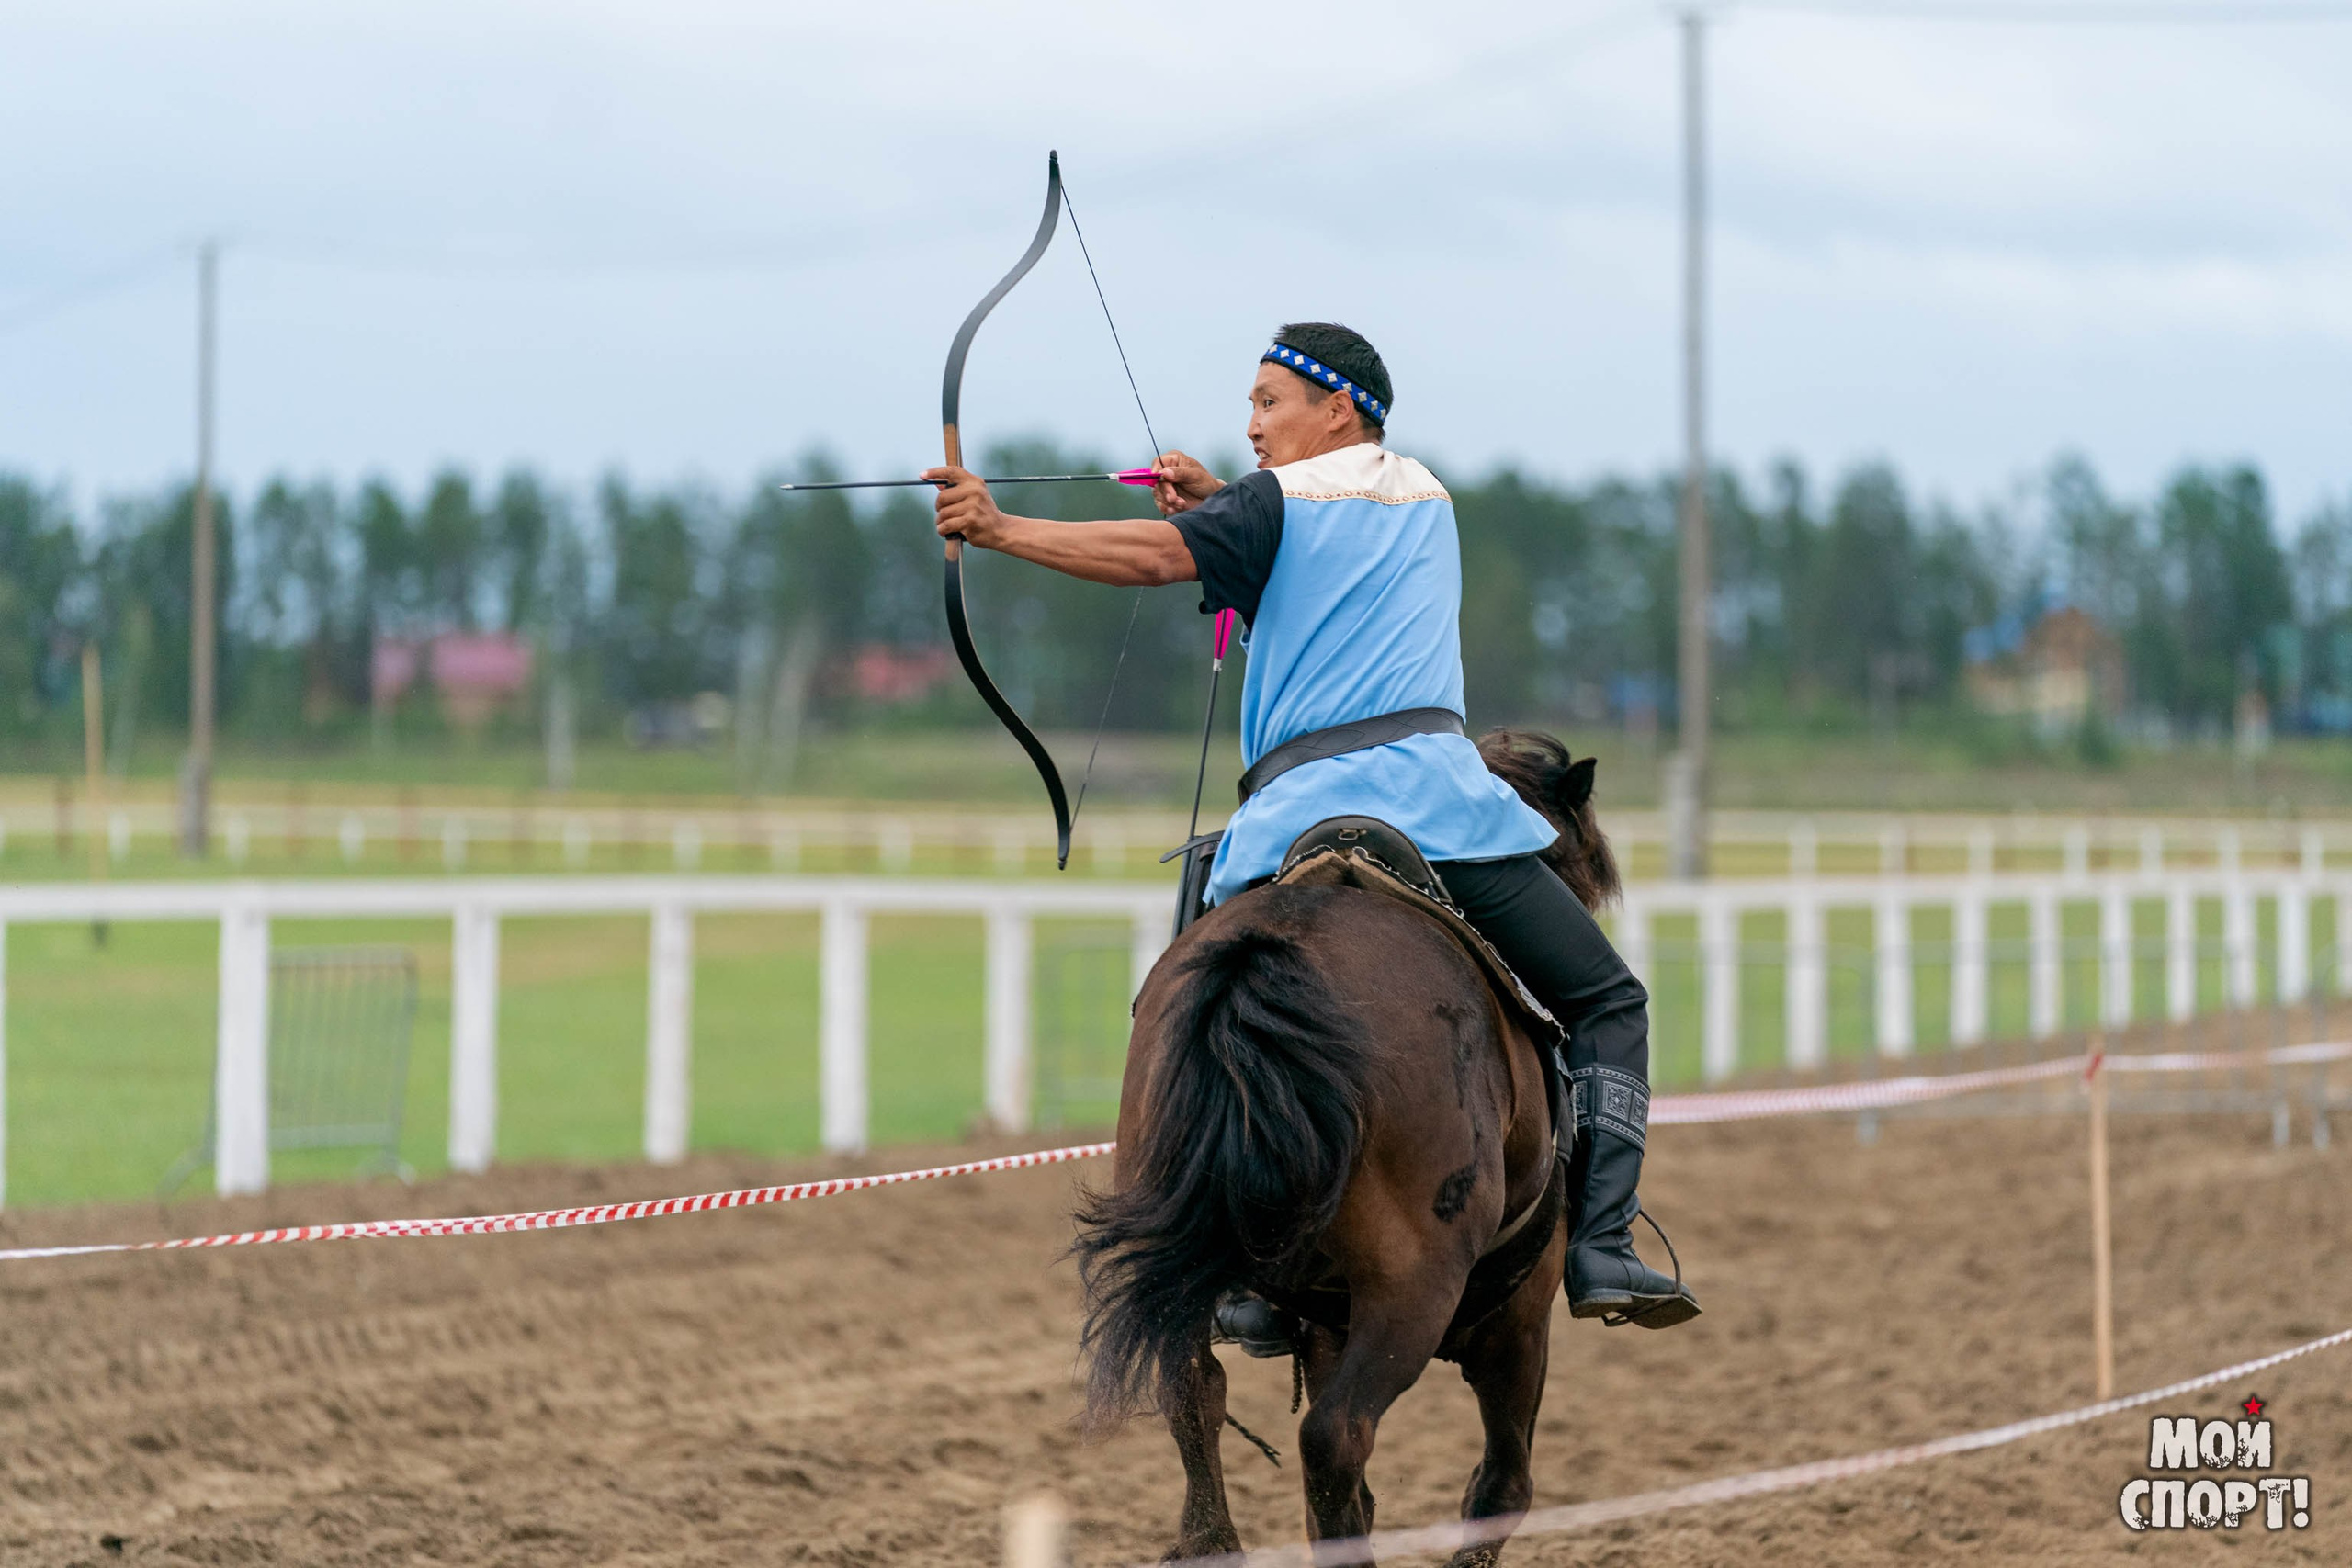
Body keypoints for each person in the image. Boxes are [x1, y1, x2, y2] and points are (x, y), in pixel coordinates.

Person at [923, 321, 1697, 1332]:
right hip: (1442, 812)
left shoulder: (1279, 501)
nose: (1250, 425)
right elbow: (1311, 564)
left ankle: (1233, 1269)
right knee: (1606, 1003)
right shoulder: (1420, 498)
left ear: (1337, 409)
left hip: (1290, 818)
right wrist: (1221, 506)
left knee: (1195, 1007)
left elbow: (1156, 558)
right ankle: (1600, 1248)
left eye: (1267, 402)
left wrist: (999, 528)